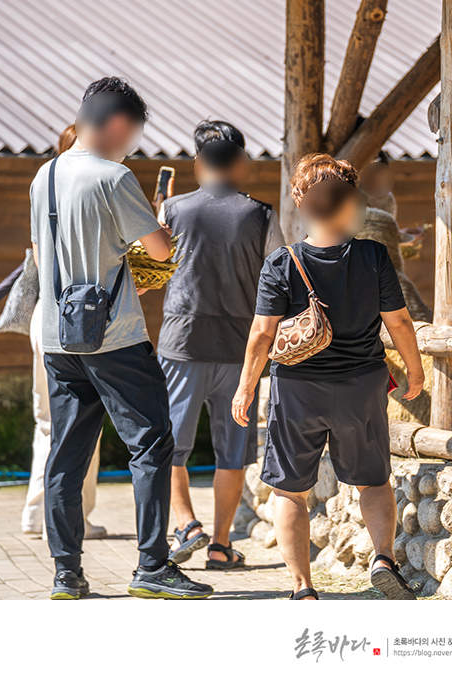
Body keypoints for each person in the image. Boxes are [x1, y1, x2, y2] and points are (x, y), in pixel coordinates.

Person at [29, 77, 213, 601]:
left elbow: (44, 257)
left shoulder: (44, 175)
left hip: (58, 337)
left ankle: (67, 573)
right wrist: (157, 224)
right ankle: (152, 566)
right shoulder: (115, 177)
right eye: (132, 133)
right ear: (115, 124)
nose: (132, 144)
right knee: (151, 442)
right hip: (114, 334)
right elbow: (159, 250)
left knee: (67, 454)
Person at [232, 153, 425, 600]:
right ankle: (382, 559)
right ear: (350, 203)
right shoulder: (373, 256)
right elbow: (399, 323)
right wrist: (414, 371)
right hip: (362, 386)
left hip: (297, 390)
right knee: (372, 481)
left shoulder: (282, 263)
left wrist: (244, 389)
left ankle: (303, 589)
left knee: (290, 491)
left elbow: (262, 334)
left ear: (301, 203)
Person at [158, 120, 284, 569]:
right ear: (240, 165)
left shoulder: (172, 209)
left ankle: (186, 524)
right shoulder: (262, 215)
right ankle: (219, 544)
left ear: (197, 165)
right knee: (232, 453)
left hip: (181, 343)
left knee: (170, 444)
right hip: (239, 348)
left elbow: (148, 273)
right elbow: (279, 281)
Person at [22, 124, 106, 541]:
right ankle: (79, 519)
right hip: (78, 317)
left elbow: (40, 258)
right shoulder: (95, 189)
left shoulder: (44, 186)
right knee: (82, 418)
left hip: (45, 314)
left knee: (47, 421)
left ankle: (36, 514)